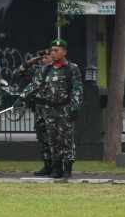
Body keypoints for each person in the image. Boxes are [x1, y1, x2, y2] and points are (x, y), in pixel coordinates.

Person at [17, 39, 82, 179]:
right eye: (51, 51)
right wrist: (22, 97)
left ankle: (67, 170)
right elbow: (35, 85)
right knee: (52, 140)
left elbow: (77, 89)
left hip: (64, 108)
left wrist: (75, 107)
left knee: (65, 139)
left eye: (56, 51)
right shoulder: (45, 68)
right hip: (48, 109)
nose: (52, 53)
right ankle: (56, 169)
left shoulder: (71, 68)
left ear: (64, 52)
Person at [17, 49, 53, 175]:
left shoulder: (58, 71)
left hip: (54, 110)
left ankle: (57, 166)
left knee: (54, 139)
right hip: (40, 109)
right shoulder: (38, 71)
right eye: (42, 58)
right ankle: (47, 165)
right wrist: (30, 62)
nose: (44, 60)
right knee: (43, 139)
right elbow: (19, 72)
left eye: (46, 57)